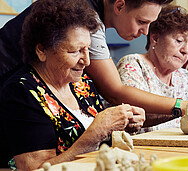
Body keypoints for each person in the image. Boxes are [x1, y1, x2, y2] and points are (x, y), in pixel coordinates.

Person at [0, 0, 188, 129]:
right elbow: (116, 92)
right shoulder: (85, 16)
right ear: (120, 5)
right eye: (142, 22)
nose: (145, 32)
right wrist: (182, 106)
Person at [0, 0, 145, 169]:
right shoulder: (22, 92)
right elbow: (35, 168)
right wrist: (95, 134)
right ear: (41, 50)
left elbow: (100, 141)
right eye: (75, 51)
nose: (87, 61)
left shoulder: (82, 84)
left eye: (87, 49)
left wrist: (122, 124)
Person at [117, 5, 188, 132]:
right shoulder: (133, 64)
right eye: (179, 40)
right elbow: (135, 117)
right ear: (155, 38)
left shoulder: (182, 75)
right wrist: (180, 110)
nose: (186, 50)